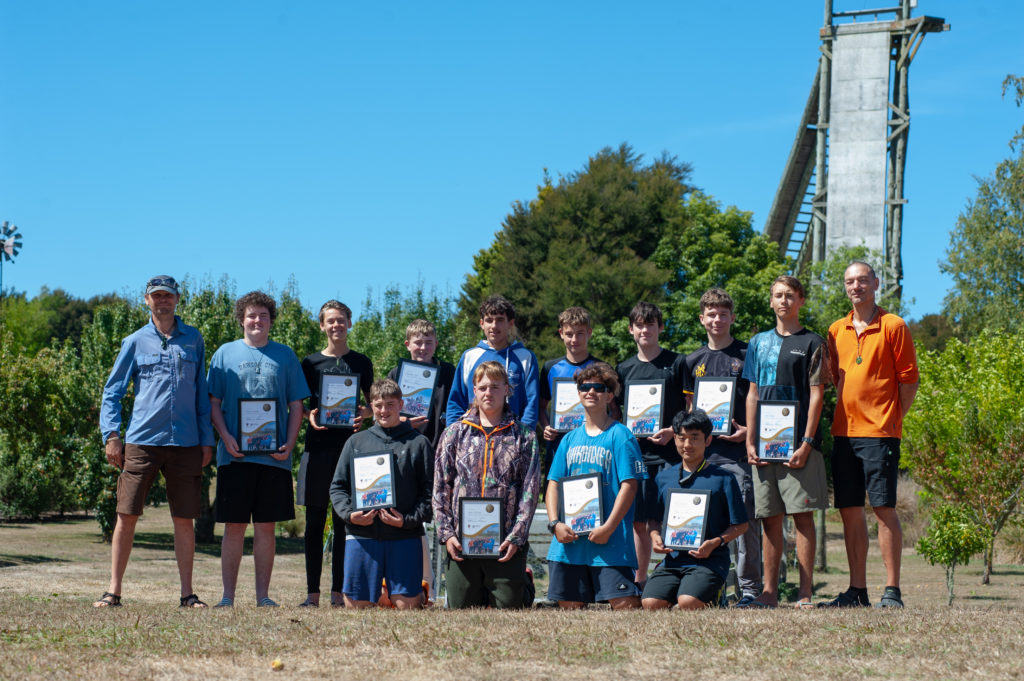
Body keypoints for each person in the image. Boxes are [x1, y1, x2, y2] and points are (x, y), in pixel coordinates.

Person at [95, 275, 214, 608]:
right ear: (146, 300)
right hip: (142, 441)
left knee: (184, 518)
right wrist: (112, 435)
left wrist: (207, 440)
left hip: (187, 442)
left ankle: (188, 594)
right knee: (126, 514)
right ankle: (113, 591)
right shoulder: (134, 341)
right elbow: (112, 391)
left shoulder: (194, 339)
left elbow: (201, 395)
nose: (162, 301)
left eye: (168, 296)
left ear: (178, 300)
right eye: (156, 296)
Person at [819, 261, 919, 609]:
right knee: (849, 510)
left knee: (883, 508)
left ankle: (892, 591)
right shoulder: (835, 330)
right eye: (850, 281)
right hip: (844, 433)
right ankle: (856, 591)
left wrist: (892, 419)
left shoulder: (895, 325)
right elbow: (834, 380)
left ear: (876, 283)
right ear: (845, 287)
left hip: (880, 433)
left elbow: (909, 381)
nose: (856, 286)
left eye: (863, 280)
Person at [207, 291, 309, 608]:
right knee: (234, 528)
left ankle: (263, 596)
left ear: (270, 321)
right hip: (234, 456)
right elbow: (213, 404)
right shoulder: (224, 354)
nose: (257, 321)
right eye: (252, 315)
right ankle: (227, 597)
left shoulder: (286, 356)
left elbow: (296, 405)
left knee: (266, 528)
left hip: (274, 458)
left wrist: (290, 443)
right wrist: (225, 437)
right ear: (242, 319)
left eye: (263, 316)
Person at [741, 275, 829, 609]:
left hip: (798, 447)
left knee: (802, 517)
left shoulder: (813, 342)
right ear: (770, 301)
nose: (783, 301)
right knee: (770, 518)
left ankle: (805, 593)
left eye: (790, 295)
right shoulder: (757, 343)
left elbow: (818, 394)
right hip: (763, 447)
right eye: (778, 295)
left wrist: (806, 443)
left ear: (801, 301)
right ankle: (769, 592)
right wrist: (750, 439)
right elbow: (751, 393)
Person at [433, 361, 541, 608]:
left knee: (510, 608)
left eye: (495, 387)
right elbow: (440, 487)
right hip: (462, 540)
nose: (488, 393)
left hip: (504, 542)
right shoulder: (454, 433)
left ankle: (523, 581)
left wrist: (516, 537)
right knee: (462, 608)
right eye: (482, 387)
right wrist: (447, 535)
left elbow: (530, 491)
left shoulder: (524, 436)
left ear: (507, 390)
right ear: (474, 391)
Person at [683, 288, 763, 606]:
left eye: (723, 314)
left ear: (732, 317)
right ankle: (713, 588)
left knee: (743, 525)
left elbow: (760, 398)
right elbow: (690, 410)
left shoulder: (748, 355)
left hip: (739, 456)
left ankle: (749, 590)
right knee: (705, 524)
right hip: (705, 460)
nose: (717, 319)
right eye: (711, 314)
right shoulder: (692, 361)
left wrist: (750, 433)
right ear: (702, 319)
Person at [544, 363, 646, 610]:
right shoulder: (568, 439)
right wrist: (555, 523)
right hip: (570, 543)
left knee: (624, 606)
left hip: (609, 542)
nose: (590, 392)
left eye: (598, 388)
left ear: (609, 395)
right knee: (569, 607)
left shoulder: (621, 436)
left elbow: (629, 486)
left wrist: (609, 527)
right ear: (578, 394)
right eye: (584, 387)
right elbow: (553, 484)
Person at [329, 379, 434, 609]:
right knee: (357, 606)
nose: (384, 411)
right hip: (363, 536)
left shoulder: (419, 443)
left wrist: (407, 521)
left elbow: (429, 494)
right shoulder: (356, 442)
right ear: (371, 407)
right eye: (378, 405)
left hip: (404, 536)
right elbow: (337, 487)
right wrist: (350, 515)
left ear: (400, 405)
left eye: (390, 404)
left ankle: (417, 594)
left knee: (407, 608)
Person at [298, 300, 373, 608]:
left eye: (341, 320)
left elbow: (374, 404)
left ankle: (338, 594)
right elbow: (299, 406)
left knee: (344, 522)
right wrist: (308, 417)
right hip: (317, 449)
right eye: (330, 321)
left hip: (351, 451)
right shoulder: (309, 363)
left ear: (349, 323)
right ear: (322, 326)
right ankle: (311, 594)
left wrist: (364, 414)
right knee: (314, 524)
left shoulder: (361, 362)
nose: (336, 326)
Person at [615, 301, 691, 586]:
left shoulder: (677, 362)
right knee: (639, 522)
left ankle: (677, 576)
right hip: (637, 455)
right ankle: (641, 579)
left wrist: (673, 430)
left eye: (651, 324)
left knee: (674, 516)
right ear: (631, 329)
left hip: (672, 454)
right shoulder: (623, 369)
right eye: (639, 324)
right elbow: (616, 412)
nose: (645, 329)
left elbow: (690, 406)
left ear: (660, 327)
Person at [642, 410, 749, 611]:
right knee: (650, 604)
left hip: (710, 560)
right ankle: (681, 589)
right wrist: (655, 536)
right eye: (681, 438)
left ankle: (717, 593)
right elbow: (653, 520)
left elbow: (741, 524)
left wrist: (715, 543)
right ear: (674, 439)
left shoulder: (723, 478)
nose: (687, 445)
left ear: (708, 441)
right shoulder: (663, 478)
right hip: (673, 560)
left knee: (688, 603)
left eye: (694, 438)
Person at [386, 318, 456, 603]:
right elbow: (387, 411)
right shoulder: (396, 372)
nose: (423, 347)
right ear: (408, 344)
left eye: (429, 342)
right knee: (413, 519)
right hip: (408, 452)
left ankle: (449, 585)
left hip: (441, 452)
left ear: (436, 344)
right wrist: (403, 421)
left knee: (445, 517)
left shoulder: (448, 372)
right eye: (418, 342)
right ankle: (417, 585)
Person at [445, 295, 540, 429]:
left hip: (513, 436)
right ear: (482, 324)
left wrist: (524, 435)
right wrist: (454, 434)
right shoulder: (469, 357)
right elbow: (455, 402)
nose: (494, 326)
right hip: (474, 436)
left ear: (510, 323)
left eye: (500, 320)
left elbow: (532, 402)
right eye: (489, 320)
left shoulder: (525, 357)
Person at [538, 306, 604, 485]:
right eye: (569, 334)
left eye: (580, 333)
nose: (574, 339)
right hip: (559, 446)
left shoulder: (602, 368)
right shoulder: (550, 368)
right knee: (557, 499)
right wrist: (545, 427)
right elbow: (541, 406)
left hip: (593, 447)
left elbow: (613, 410)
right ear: (561, 333)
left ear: (589, 333)